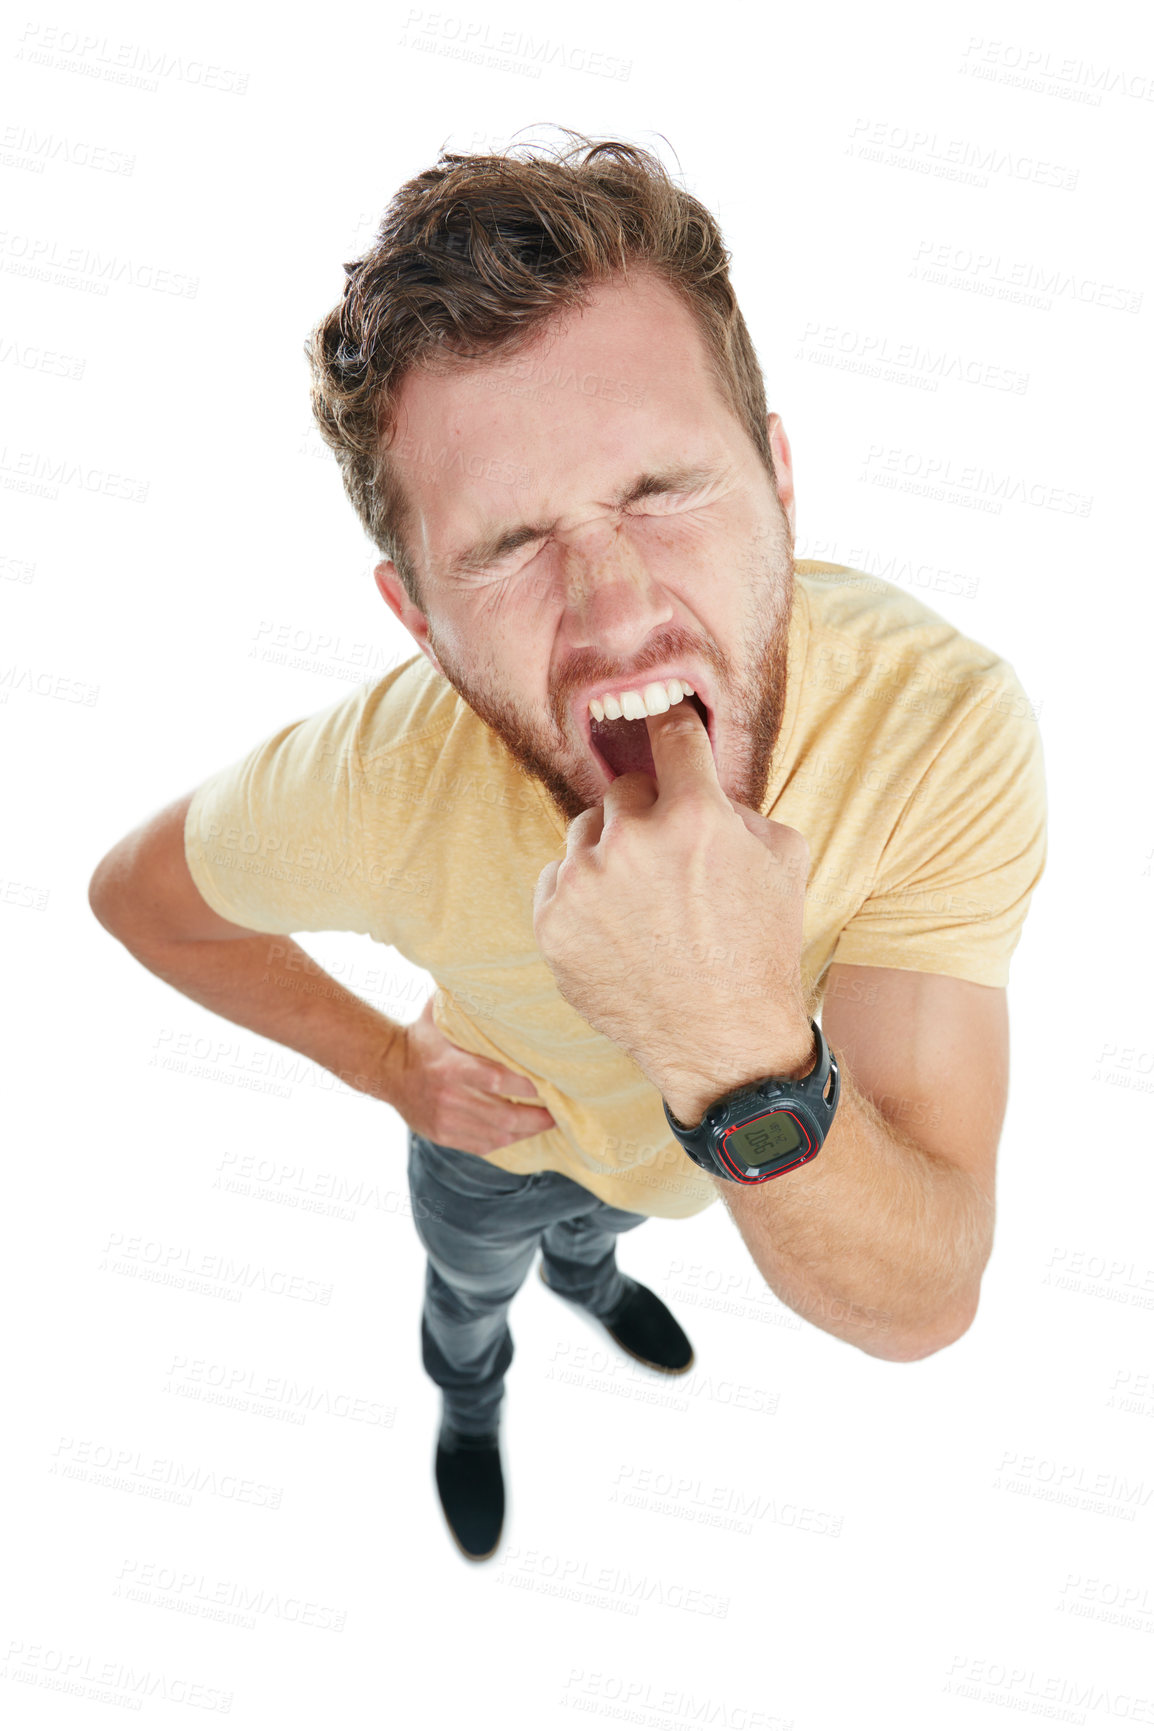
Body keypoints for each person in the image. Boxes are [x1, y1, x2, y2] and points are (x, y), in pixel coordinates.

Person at [88, 131, 1047, 1564]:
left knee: (605, 1238)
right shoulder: (370, 782)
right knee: (471, 1283)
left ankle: (592, 1285)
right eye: (504, 546)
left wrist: (723, 1040)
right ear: (416, 618)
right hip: (498, 1145)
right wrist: (389, 1065)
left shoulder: (939, 725)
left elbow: (921, 1300)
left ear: (780, 481)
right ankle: (466, 1390)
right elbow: (138, 899)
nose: (612, 611)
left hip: (690, 1169)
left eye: (660, 492)